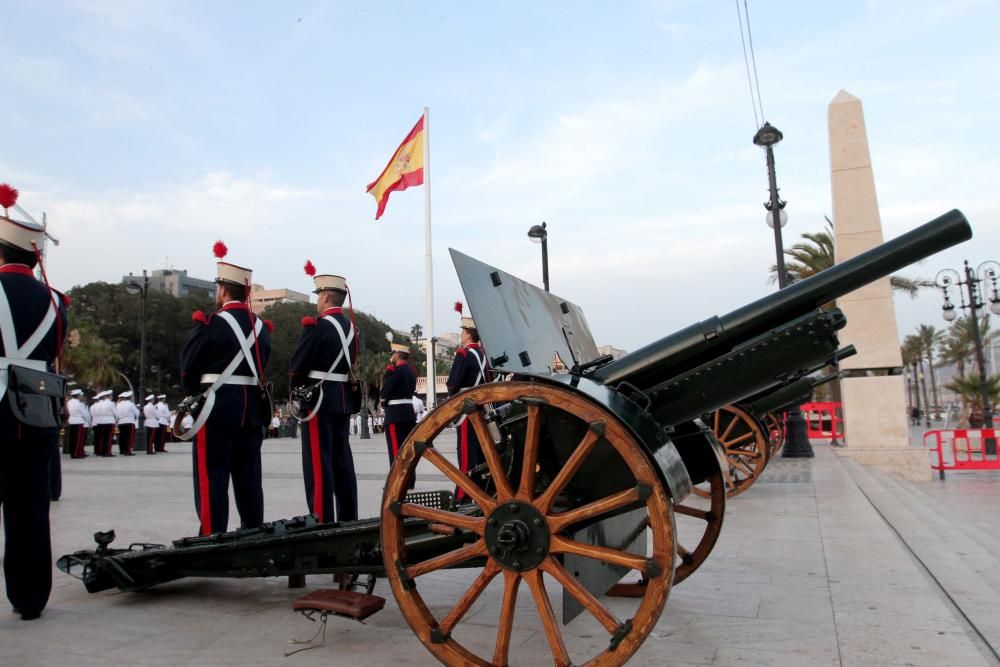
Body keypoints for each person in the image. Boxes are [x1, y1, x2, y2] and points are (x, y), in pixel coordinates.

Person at [0, 197, 69, 620]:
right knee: (31, 507)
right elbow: (52, 348)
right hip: (38, 410)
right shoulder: (57, 302)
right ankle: (30, 598)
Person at [179, 241, 272, 535]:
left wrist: (193, 393)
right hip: (251, 410)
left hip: (216, 407)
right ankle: (253, 530)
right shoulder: (262, 329)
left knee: (213, 477)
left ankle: (211, 535)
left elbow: (188, 368)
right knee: (248, 478)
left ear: (223, 290)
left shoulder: (210, 324)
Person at [288, 268, 357, 524]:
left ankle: (322, 520)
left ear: (326, 297)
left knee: (318, 465)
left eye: (319, 296)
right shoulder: (352, 329)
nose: (317, 301)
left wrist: (295, 389)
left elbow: (297, 367)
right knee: (342, 463)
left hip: (318, 400)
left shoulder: (316, 327)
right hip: (342, 399)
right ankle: (349, 517)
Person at [446, 312, 492, 502]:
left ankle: (464, 494)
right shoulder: (484, 355)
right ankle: (482, 489)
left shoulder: (463, 354)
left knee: (465, 452)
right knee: (480, 451)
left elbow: (452, 383)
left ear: (468, 334)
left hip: (466, 408)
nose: (461, 334)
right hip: (481, 406)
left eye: (463, 331)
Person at [381, 343, 417, 484]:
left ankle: (398, 482)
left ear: (397, 355)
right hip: (408, 413)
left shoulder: (396, 371)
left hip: (395, 414)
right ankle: (409, 480)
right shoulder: (411, 371)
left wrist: (387, 375)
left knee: (396, 450)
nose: (391, 356)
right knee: (408, 450)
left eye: (392, 353)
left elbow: (384, 394)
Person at [91, 390, 116, 457]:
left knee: (104, 438)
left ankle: (103, 451)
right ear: (109, 396)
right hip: (109, 421)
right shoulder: (111, 403)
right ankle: (107, 452)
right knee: (109, 438)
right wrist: (116, 420)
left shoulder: (99, 404)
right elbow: (115, 413)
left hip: (101, 422)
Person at [66, 389, 89, 459]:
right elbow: (85, 414)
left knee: (73, 439)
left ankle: (73, 453)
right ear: (78, 396)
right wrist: (88, 422)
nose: (82, 397)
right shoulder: (79, 404)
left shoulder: (69, 402)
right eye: (81, 395)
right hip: (79, 421)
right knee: (78, 439)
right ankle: (77, 454)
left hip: (72, 421)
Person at [116, 391, 139, 456]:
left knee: (122, 437)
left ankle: (122, 450)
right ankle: (128, 451)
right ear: (130, 397)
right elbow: (137, 413)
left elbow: (116, 415)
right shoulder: (131, 404)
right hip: (129, 421)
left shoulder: (118, 405)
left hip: (121, 422)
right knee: (129, 438)